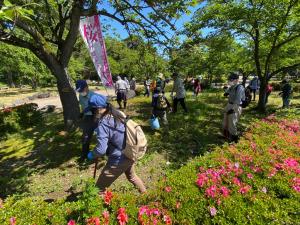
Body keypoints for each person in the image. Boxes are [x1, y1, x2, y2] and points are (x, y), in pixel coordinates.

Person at [86, 94, 146, 194]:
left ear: (97, 109)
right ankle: (146, 195)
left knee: (98, 189)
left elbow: (101, 150)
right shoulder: (118, 113)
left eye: (92, 110)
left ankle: (102, 207)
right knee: (132, 176)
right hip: (130, 152)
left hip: (119, 159)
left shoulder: (103, 123)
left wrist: (92, 154)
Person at [75, 80, 97, 161]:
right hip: (87, 117)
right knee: (85, 136)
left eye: (82, 90)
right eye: (79, 91)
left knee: (102, 135)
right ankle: (84, 154)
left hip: (97, 117)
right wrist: (82, 113)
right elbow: (83, 106)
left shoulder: (94, 96)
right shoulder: (80, 95)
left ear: (87, 87)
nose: (81, 92)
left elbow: (98, 109)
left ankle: (108, 151)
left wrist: (95, 119)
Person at [222, 73, 245, 143]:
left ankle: (234, 139)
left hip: (236, 106)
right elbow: (227, 91)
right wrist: (226, 92)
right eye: (229, 80)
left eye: (231, 80)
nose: (229, 81)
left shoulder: (240, 87)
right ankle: (226, 135)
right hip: (229, 104)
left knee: (232, 122)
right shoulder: (232, 87)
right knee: (225, 121)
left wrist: (233, 109)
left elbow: (238, 100)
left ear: (236, 80)